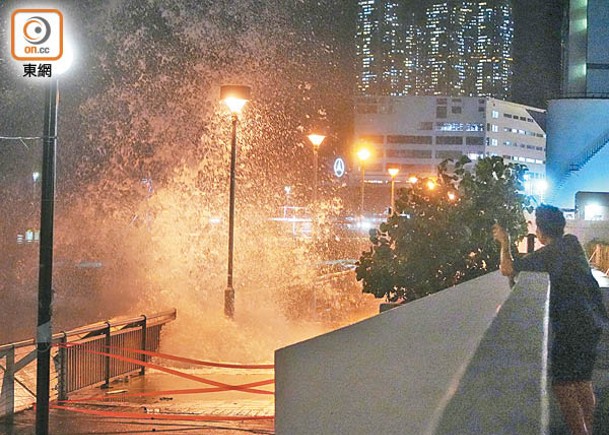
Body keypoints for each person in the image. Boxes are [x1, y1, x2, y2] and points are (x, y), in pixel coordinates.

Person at [493, 204, 608, 435]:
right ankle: (590, 429)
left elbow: (507, 269)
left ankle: (580, 432)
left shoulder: (546, 255)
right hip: (593, 321)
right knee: (583, 381)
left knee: (563, 385)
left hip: (571, 326)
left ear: (541, 232)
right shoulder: (572, 243)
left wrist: (504, 243)